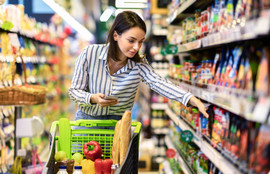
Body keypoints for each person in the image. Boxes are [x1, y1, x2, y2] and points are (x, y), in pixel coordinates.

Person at [68, 11, 209, 121]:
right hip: (87, 123)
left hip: (119, 127)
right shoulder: (90, 53)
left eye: (141, 42)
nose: (136, 47)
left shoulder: (139, 65)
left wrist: (191, 99)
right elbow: (74, 91)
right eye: (131, 40)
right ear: (116, 35)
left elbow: (159, 83)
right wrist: (93, 98)